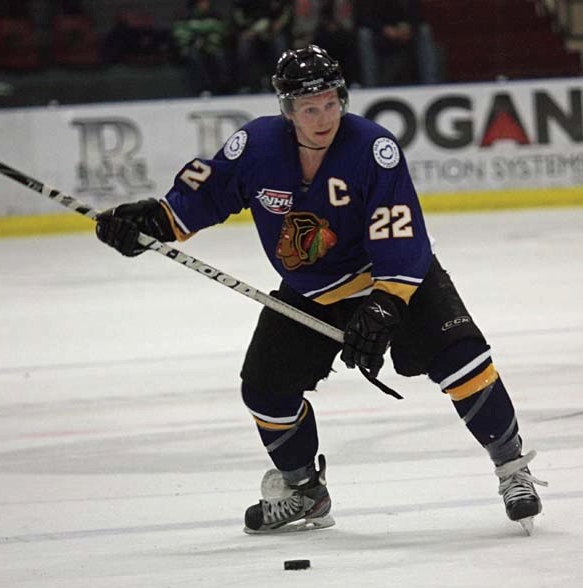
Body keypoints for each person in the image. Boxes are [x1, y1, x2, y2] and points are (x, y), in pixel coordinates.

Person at [94, 45, 547, 534]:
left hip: (390, 278)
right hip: (315, 290)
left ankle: (512, 470)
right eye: (309, 108)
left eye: (330, 102)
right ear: (287, 111)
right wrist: (154, 222)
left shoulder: (374, 148)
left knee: (463, 361)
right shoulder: (257, 146)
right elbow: (208, 195)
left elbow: (402, 234)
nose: (323, 116)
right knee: (264, 389)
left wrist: (387, 304)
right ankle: (304, 491)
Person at [356, 0, 441, 87]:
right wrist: (384, 29)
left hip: (406, 32)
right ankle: (371, 88)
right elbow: (362, 17)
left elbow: (417, 14)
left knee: (424, 31)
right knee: (364, 34)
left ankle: (431, 85)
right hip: (379, 33)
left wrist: (410, 27)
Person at [172, 0, 230, 96]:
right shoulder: (185, 16)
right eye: (202, 2)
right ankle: (203, 89)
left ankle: (224, 88)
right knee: (194, 56)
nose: (205, 4)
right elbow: (180, 32)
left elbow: (219, 30)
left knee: (220, 56)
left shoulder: (215, 15)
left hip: (211, 47)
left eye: (207, 2)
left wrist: (205, 40)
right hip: (191, 48)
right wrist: (194, 40)